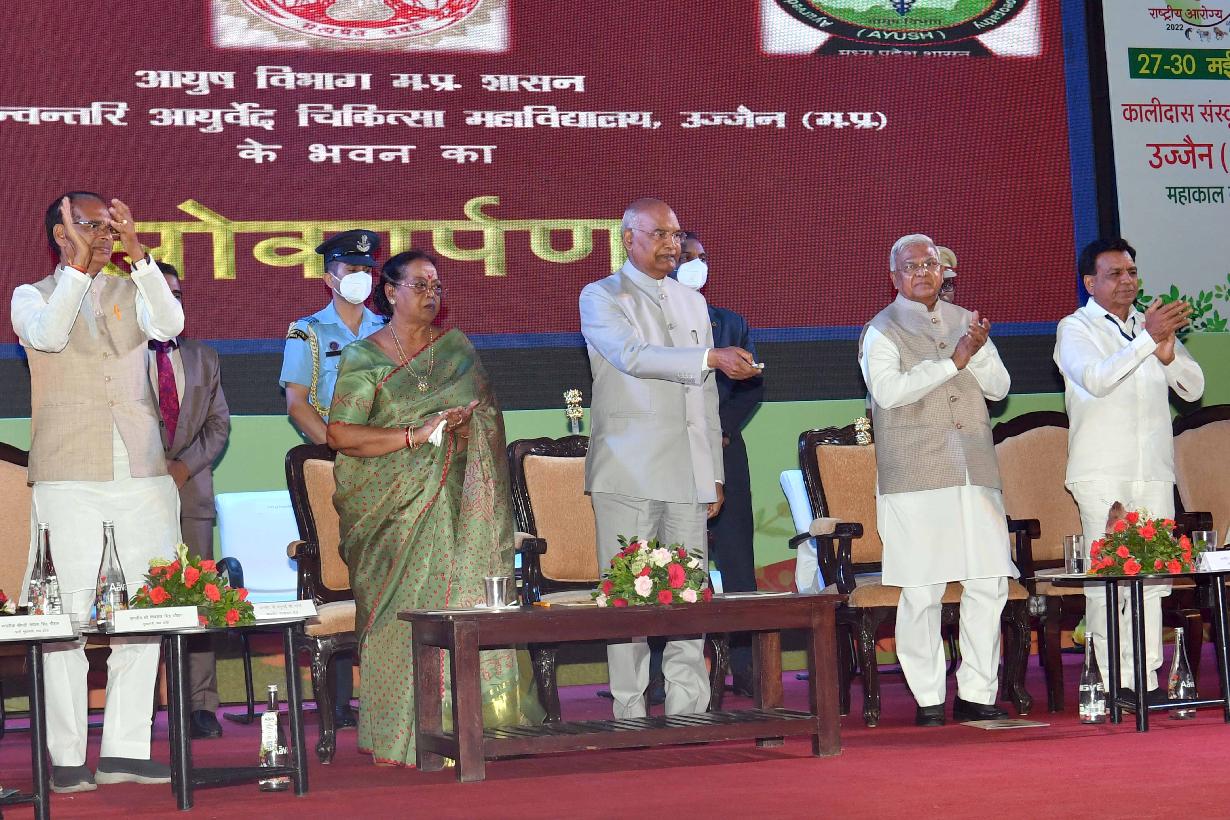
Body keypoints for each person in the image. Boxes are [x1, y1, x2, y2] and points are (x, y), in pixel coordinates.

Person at [326, 250, 542, 765]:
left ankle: (478, 728)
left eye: (437, 286)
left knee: (467, 609)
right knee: (400, 620)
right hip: (392, 513)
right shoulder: (363, 358)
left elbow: (489, 420)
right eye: (420, 285)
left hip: (459, 509)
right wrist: (414, 435)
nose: (431, 294)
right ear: (390, 292)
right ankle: (398, 737)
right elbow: (340, 434)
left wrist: (465, 426)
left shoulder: (458, 352)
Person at [11, 192, 182, 791]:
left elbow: (170, 325)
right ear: (61, 234)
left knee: (146, 610)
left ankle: (124, 753)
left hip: (141, 470)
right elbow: (49, 337)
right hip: (69, 474)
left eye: (110, 227)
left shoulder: (133, 288)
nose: (104, 235)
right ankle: (65, 756)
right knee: (63, 617)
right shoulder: (31, 295)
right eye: (91, 226)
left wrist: (140, 258)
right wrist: (80, 271)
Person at [579, 198, 761, 719]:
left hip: (688, 471)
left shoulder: (691, 302)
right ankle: (629, 712)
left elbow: (705, 396)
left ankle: (689, 710)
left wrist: (713, 474)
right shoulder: (601, 295)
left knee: (688, 595)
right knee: (627, 597)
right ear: (627, 238)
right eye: (659, 234)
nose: (672, 245)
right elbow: (633, 357)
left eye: (676, 235)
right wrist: (709, 357)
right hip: (629, 469)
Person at [858, 233, 1018, 727]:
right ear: (894, 277)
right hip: (916, 475)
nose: (923, 272)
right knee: (922, 590)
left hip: (974, 470)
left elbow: (999, 388)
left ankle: (977, 692)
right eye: (911, 266)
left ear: (943, 271)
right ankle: (928, 697)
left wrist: (979, 351)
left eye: (930, 264)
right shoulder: (880, 330)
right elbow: (888, 393)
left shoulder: (967, 321)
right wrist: (953, 362)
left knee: (988, 582)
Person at [1054, 237, 1202, 701]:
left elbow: (1194, 389)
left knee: (1153, 577)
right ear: (1090, 283)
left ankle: (1146, 680)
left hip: (1153, 470)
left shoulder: (1148, 326)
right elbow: (1097, 380)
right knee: (1108, 581)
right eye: (1115, 274)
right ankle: (1110, 680)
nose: (1127, 281)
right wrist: (1147, 340)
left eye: (1132, 272)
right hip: (1102, 472)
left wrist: (1167, 353)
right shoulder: (1074, 328)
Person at [279, 229, 384, 728]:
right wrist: (335, 447)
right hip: (332, 466)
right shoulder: (308, 332)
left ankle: (388, 692)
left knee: (386, 572)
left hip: (387, 463)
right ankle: (339, 702)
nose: (361, 277)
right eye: (351, 270)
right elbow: (297, 402)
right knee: (338, 572)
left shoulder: (390, 328)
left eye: (367, 270)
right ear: (330, 278)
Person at [675, 231, 764, 697]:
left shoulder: (730, 323)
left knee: (737, 560)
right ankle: (665, 675)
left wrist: (721, 430)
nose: (695, 264)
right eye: (686, 257)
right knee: (669, 562)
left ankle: (746, 669)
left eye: (702, 257)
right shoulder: (651, 323)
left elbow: (752, 383)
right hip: (672, 451)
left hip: (725, 450)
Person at [150, 264, 231, 739]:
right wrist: (153, 467)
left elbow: (218, 425)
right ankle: (140, 707)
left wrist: (182, 467)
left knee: (199, 599)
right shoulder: (120, 357)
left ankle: (200, 704)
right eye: (163, 294)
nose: (173, 302)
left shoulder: (204, 357)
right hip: (135, 493)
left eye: (178, 295)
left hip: (191, 493)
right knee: (139, 597)